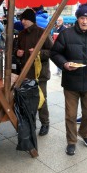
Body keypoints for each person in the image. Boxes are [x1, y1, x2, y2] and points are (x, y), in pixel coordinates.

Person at [50, 3, 87, 156]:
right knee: (70, 115)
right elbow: (55, 53)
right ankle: (71, 141)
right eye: (82, 18)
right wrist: (64, 63)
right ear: (77, 18)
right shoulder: (66, 34)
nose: (85, 21)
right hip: (71, 82)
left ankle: (85, 133)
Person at [16, 8, 53, 136]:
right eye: (22, 19)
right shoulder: (21, 34)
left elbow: (51, 51)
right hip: (25, 73)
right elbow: (16, 50)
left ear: (31, 20)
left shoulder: (42, 33)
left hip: (40, 74)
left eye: (24, 19)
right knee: (27, 100)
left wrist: (39, 53)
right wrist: (18, 53)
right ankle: (31, 122)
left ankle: (45, 123)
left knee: (41, 99)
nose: (22, 21)